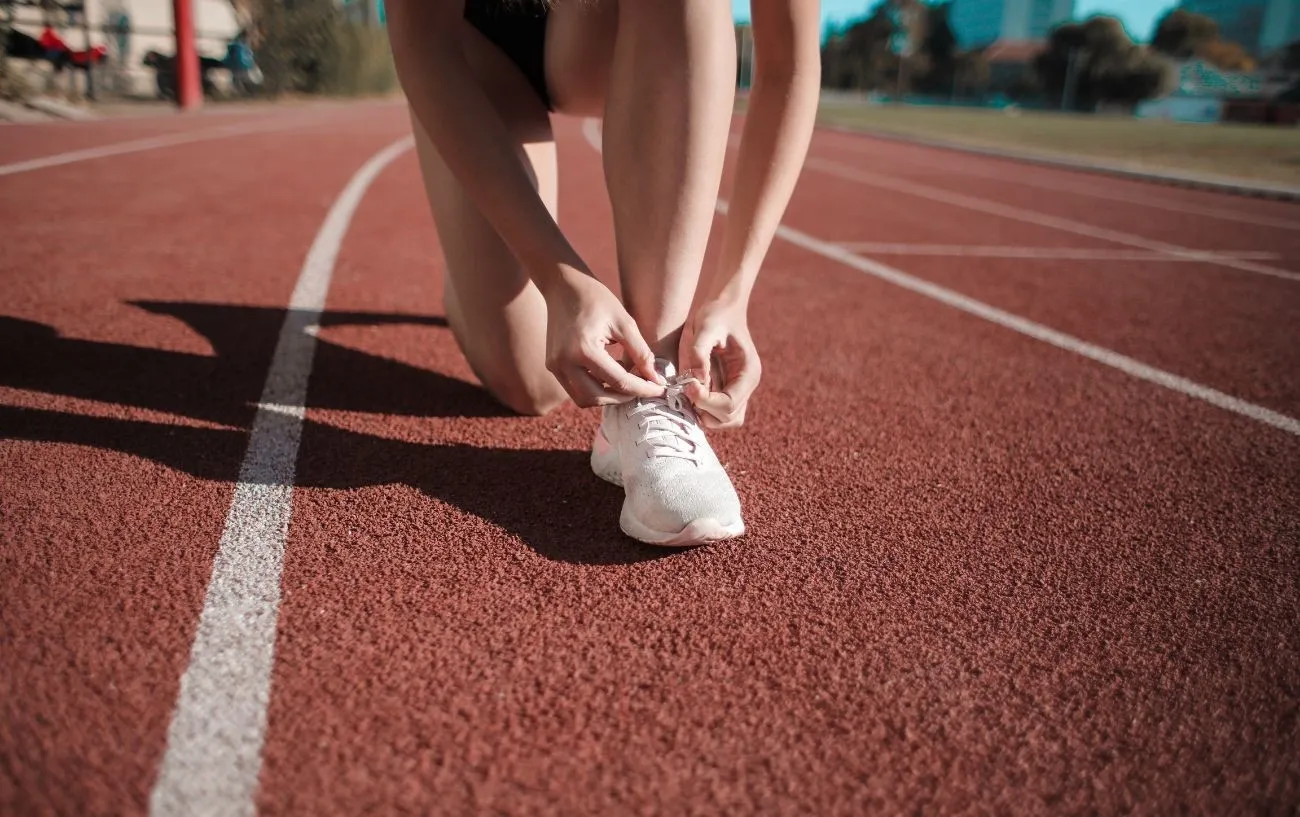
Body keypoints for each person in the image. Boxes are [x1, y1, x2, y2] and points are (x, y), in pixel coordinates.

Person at [384, 0, 821, 546]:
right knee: (531, 385)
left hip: (614, 33)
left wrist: (735, 291)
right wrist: (557, 278)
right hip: (481, 41)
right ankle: (468, 282)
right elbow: (422, 43)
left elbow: (789, 65)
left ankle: (653, 385)